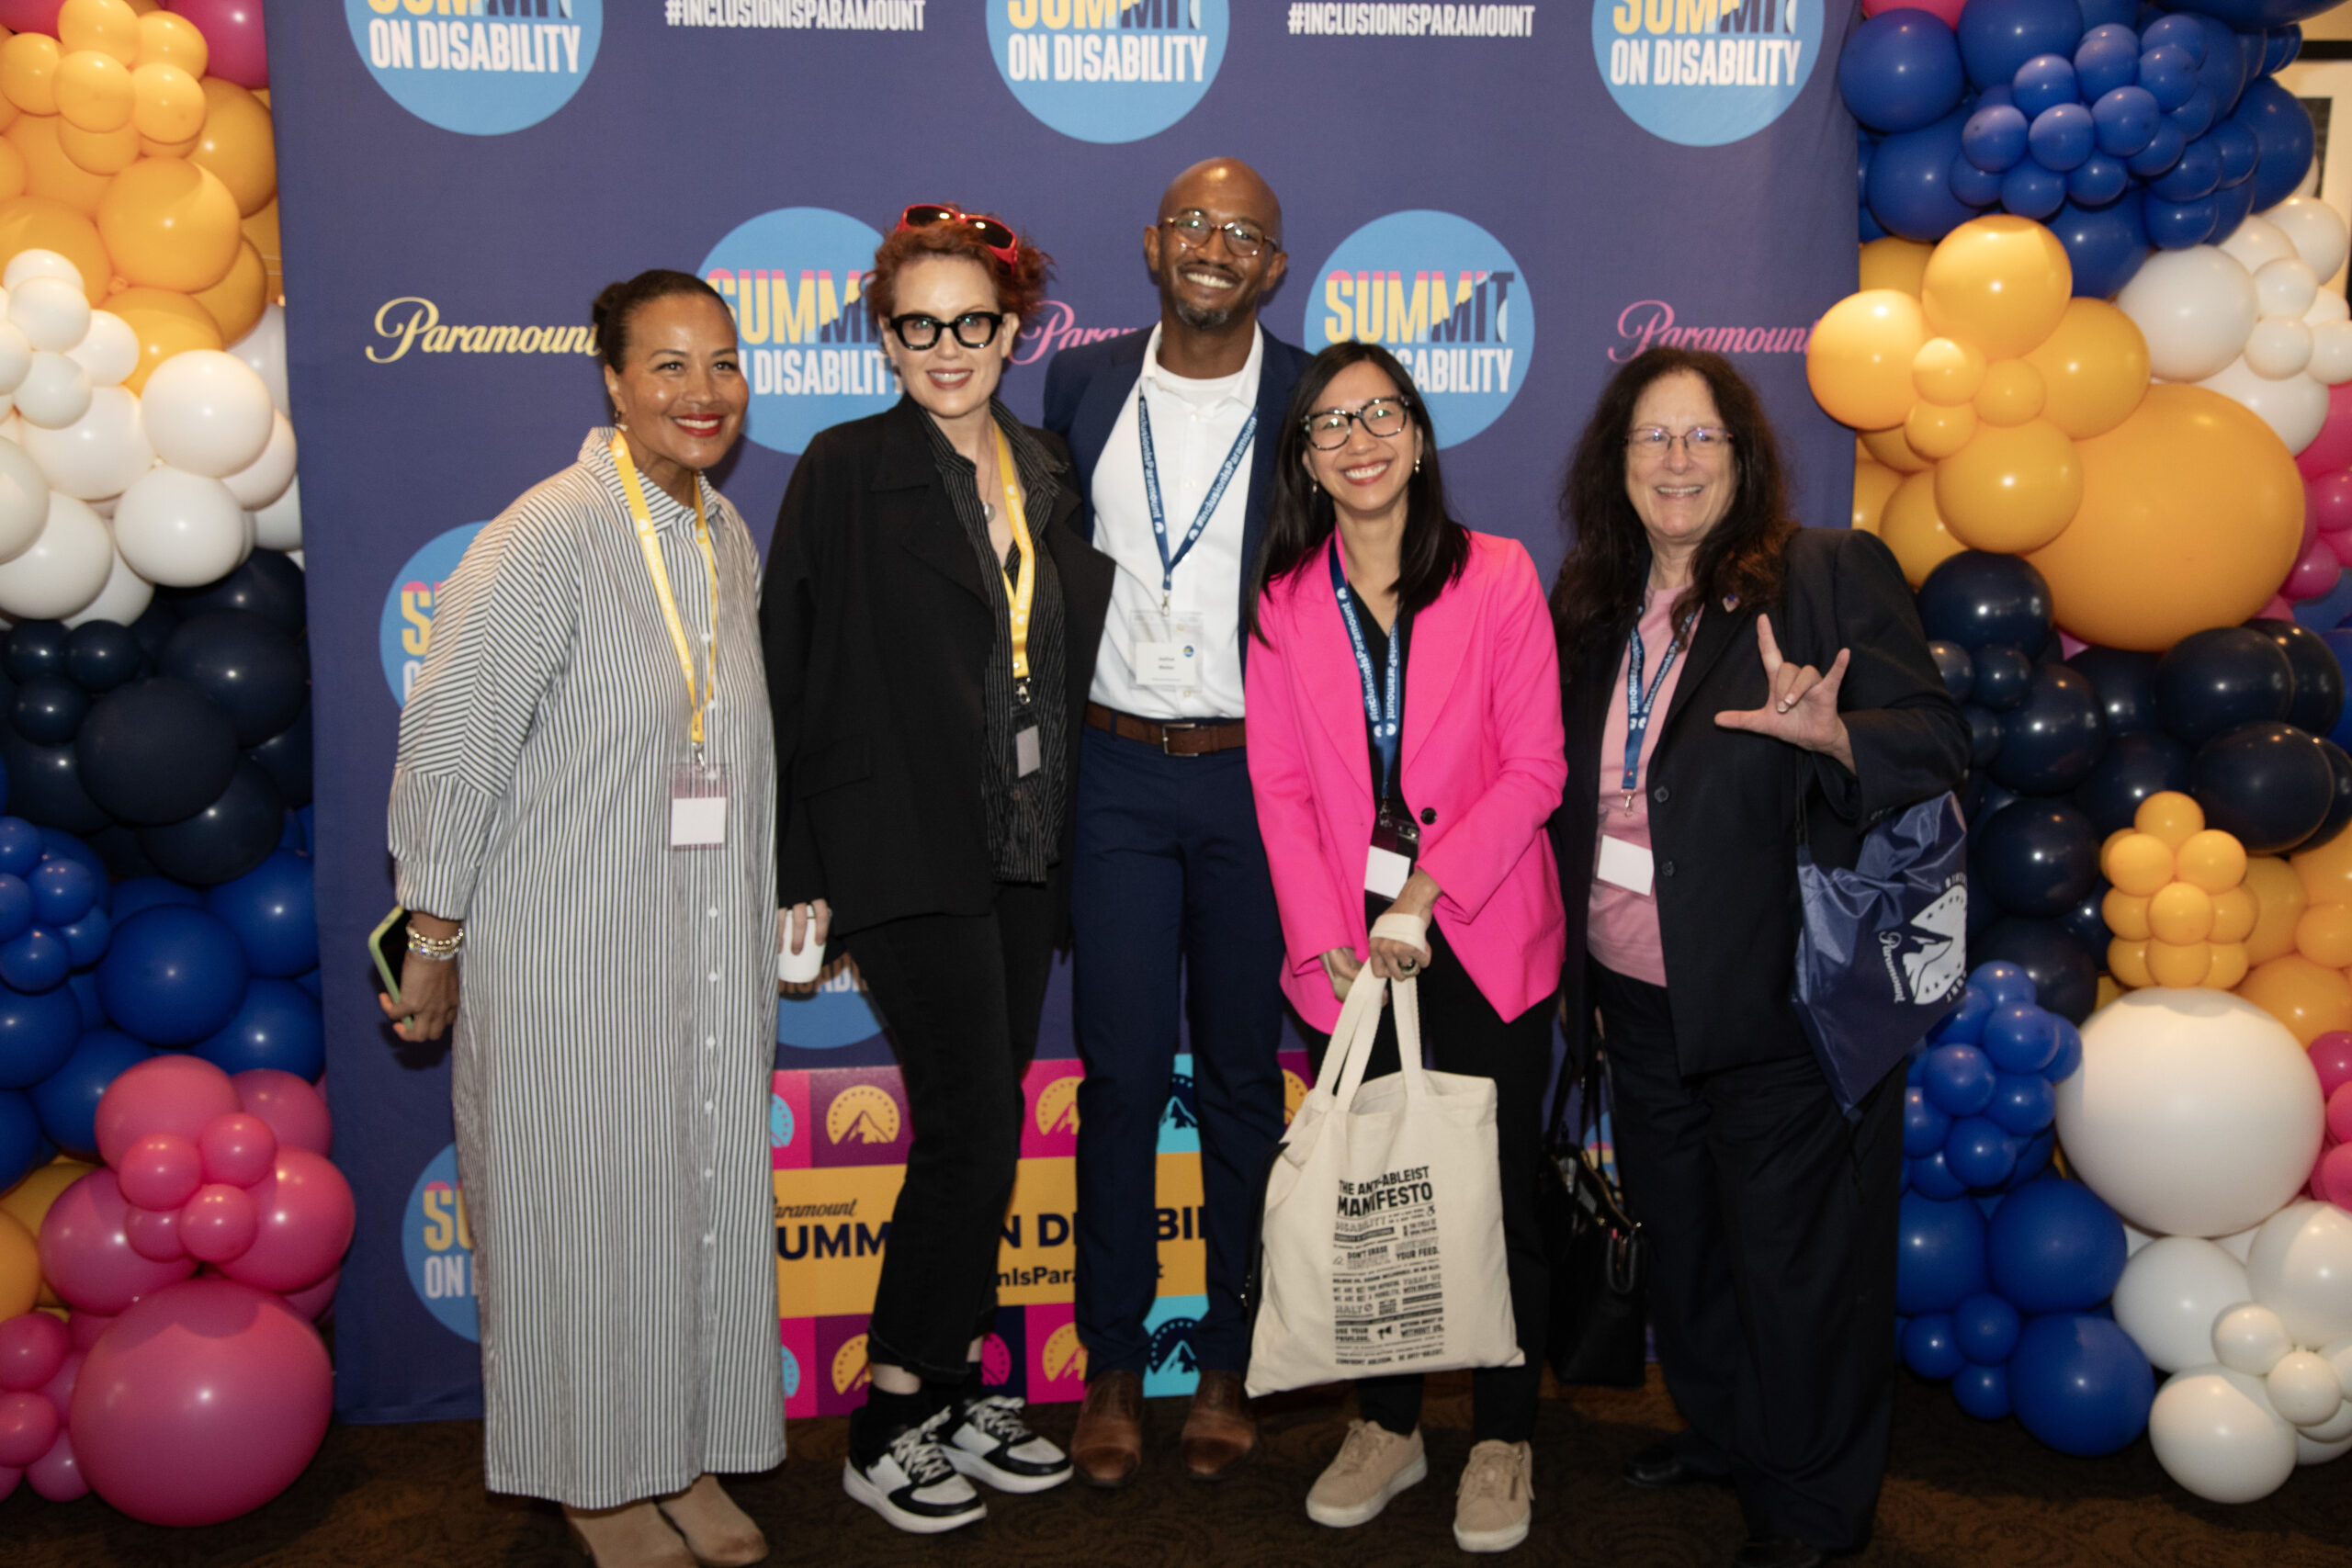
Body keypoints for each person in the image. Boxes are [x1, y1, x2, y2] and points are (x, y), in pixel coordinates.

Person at [383, 270, 782, 1568]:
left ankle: (678, 1451)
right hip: (566, 946)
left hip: (704, 949)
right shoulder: (545, 532)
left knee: (698, 1198)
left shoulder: (726, 535)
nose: (700, 392)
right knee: (575, 1211)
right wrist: (432, 937)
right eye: (667, 365)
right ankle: (593, 1479)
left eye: (720, 363)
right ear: (611, 380)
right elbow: (450, 743)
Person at [1548, 347, 1968, 1568]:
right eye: (1651, 439)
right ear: (1613, 464)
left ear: (1742, 457)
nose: (1676, 462)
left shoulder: (1823, 574)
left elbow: (1934, 736)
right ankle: (1729, 1434)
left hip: (1782, 995)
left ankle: (1813, 1510)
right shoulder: (1592, 601)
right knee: (1690, 1246)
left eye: (1702, 439)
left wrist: (1840, 734)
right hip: (1635, 998)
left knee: (1799, 1267)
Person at [760, 206, 1114, 1536]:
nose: (949, 346)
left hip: (1027, 842)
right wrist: (802, 864)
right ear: (887, 337)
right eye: (921, 325)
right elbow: (780, 673)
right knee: (970, 1124)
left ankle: (961, 1383)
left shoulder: (1046, 470)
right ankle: (893, 1407)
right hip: (897, 839)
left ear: (1013, 331)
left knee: (985, 1120)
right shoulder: (845, 470)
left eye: (974, 322)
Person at [1244, 343, 1565, 1554]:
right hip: (1350, 960)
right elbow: (1278, 788)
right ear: (1308, 461)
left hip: (1478, 931)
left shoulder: (1496, 575)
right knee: (1379, 1200)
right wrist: (1324, 935)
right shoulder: (1283, 602)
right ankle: (1388, 1424)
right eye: (1331, 424)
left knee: (1496, 1203)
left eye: (1382, 414)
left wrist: (1426, 893)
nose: (1359, 438)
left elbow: (1538, 765)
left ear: (1419, 439)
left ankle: (1501, 1435)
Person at [1041, 154, 1312, 1488]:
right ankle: (1109, 1362)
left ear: (1274, 266)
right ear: (1153, 246)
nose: (1215, 248)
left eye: (1243, 235)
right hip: (1115, 783)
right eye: (1193, 225)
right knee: (1123, 1083)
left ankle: (1229, 1359)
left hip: (1256, 783)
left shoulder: (1318, 398)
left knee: (1246, 1086)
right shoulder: (1083, 384)